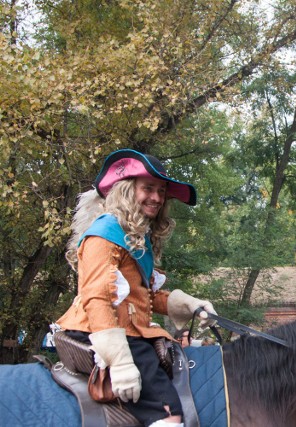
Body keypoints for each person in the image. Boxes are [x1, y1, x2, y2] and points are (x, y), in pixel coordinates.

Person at [56, 149, 216, 427]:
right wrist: (119, 360)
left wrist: (190, 304)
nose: (156, 197)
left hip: (129, 329)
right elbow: (97, 298)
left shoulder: (135, 237)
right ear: (127, 191)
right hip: (100, 331)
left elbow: (141, 299)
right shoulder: (104, 233)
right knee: (168, 414)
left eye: (161, 191)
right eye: (148, 188)